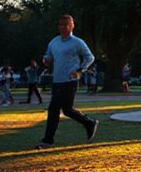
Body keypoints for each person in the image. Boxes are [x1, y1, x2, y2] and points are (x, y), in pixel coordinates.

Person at [35, 15, 98, 149]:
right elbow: (48, 56)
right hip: (57, 80)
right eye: (61, 25)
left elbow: (90, 57)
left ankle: (48, 140)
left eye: (66, 24)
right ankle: (89, 123)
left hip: (70, 80)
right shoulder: (54, 42)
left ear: (72, 25)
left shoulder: (77, 42)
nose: (63, 27)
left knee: (53, 109)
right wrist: (46, 60)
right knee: (67, 110)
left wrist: (80, 71)